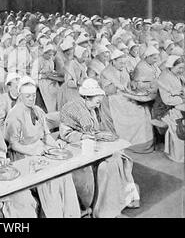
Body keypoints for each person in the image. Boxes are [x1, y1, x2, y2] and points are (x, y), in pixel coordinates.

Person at [59, 78, 140, 218]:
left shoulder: (91, 108)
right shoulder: (73, 109)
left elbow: (94, 130)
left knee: (119, 160)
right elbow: (65, 134)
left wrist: (98, 136)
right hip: (74, 148)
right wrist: (83, 136)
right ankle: (104, 210)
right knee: (106, 167)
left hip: (91, 146)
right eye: (96, 102)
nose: (98, 106)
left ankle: (119, 203)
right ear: (87, 98)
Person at [4, 77, 81, 218]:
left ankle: (70, 214)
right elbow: (13, 145)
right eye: (27, 96)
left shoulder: (38, 110)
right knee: (50, 179)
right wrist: (32, 151)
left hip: (41, 150)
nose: (31, 99)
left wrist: (55, 143)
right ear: (20, 95)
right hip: (22, 155)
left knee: (64, 175)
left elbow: (46, 135)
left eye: (33, 95)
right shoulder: (14, 115)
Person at [100, 50, 154, 153]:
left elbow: (127, 83)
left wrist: (131, 85)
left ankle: (145, 144)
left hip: (125, 97)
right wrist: (117, 87)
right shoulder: (106, 73)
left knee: (144, 109)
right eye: (120, 63)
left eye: (124, 63)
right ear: (113, 61)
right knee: (138, 115)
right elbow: (107, 91)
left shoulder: (123, 68)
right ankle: (133, 144)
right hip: (114, 100)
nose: (123, 65)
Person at [153, 56, 185, 162]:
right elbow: (167, 100)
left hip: (176, 105)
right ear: (172, 66)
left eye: (182, 68)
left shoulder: (177, 74)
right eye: (179, 68)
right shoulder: (164, 77)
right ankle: (178, 155)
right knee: (179, 125)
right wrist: (181, 98)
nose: (181, 70)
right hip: (164, 109)